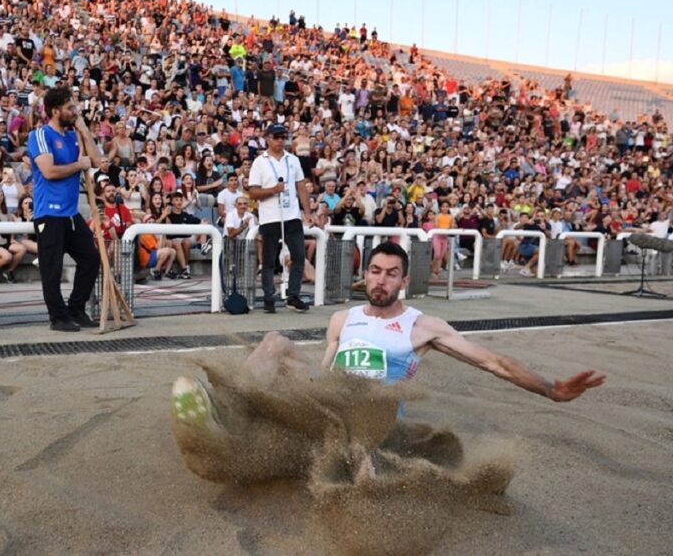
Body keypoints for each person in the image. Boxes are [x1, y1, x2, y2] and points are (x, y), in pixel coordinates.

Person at [170, 242, 606, 483]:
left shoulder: (424, 327)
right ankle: (226, 416)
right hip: (329, 402)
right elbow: (323, 371)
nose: (379, 280)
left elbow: (493, 362)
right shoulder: (343, 318)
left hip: (373, 419)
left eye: (390, 273)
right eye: (374, 271)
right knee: (275, 341)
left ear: (404, 280)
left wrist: (550, 388)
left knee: (367, 399)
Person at [27, 86, 101, 332]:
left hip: (70, 214)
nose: (75, 111)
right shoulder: (41, 135)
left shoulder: (73, 135)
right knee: (52, 268)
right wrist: (78, 164)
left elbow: (97, 161)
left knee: (91, 258)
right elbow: (49, 172)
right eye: (70, 108)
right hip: (49, 212)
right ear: (56, 110)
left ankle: (76, 309)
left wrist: (84, 130)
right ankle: (57, 317)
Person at [246, 124, 313, 313]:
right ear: (268, 138)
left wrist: (307, 212)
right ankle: (269, 297)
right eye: (276, 137)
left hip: (291, 216)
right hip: (270, 217)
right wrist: (273, 190)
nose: (280, 140)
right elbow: (253, 192)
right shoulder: (260, 162)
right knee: (268, 260)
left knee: (299, 256)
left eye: (283, 137)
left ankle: (293, 295)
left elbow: (301, 186)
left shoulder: (292, 160)